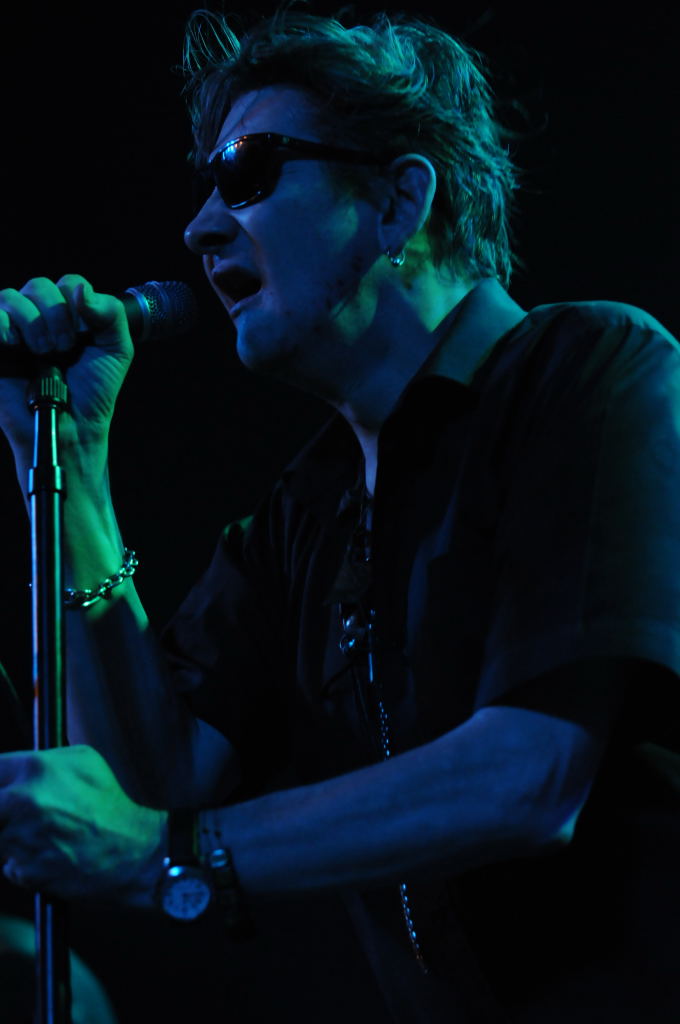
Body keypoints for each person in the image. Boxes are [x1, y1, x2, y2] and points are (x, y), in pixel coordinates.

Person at [0, 9, 678, 1022]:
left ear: (399, 202)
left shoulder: (589, 371)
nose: (199, 228)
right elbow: (154, 784)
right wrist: (69, 458)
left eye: (248, 171)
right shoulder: (303, 513)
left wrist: (174, 855)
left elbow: (529, 775)